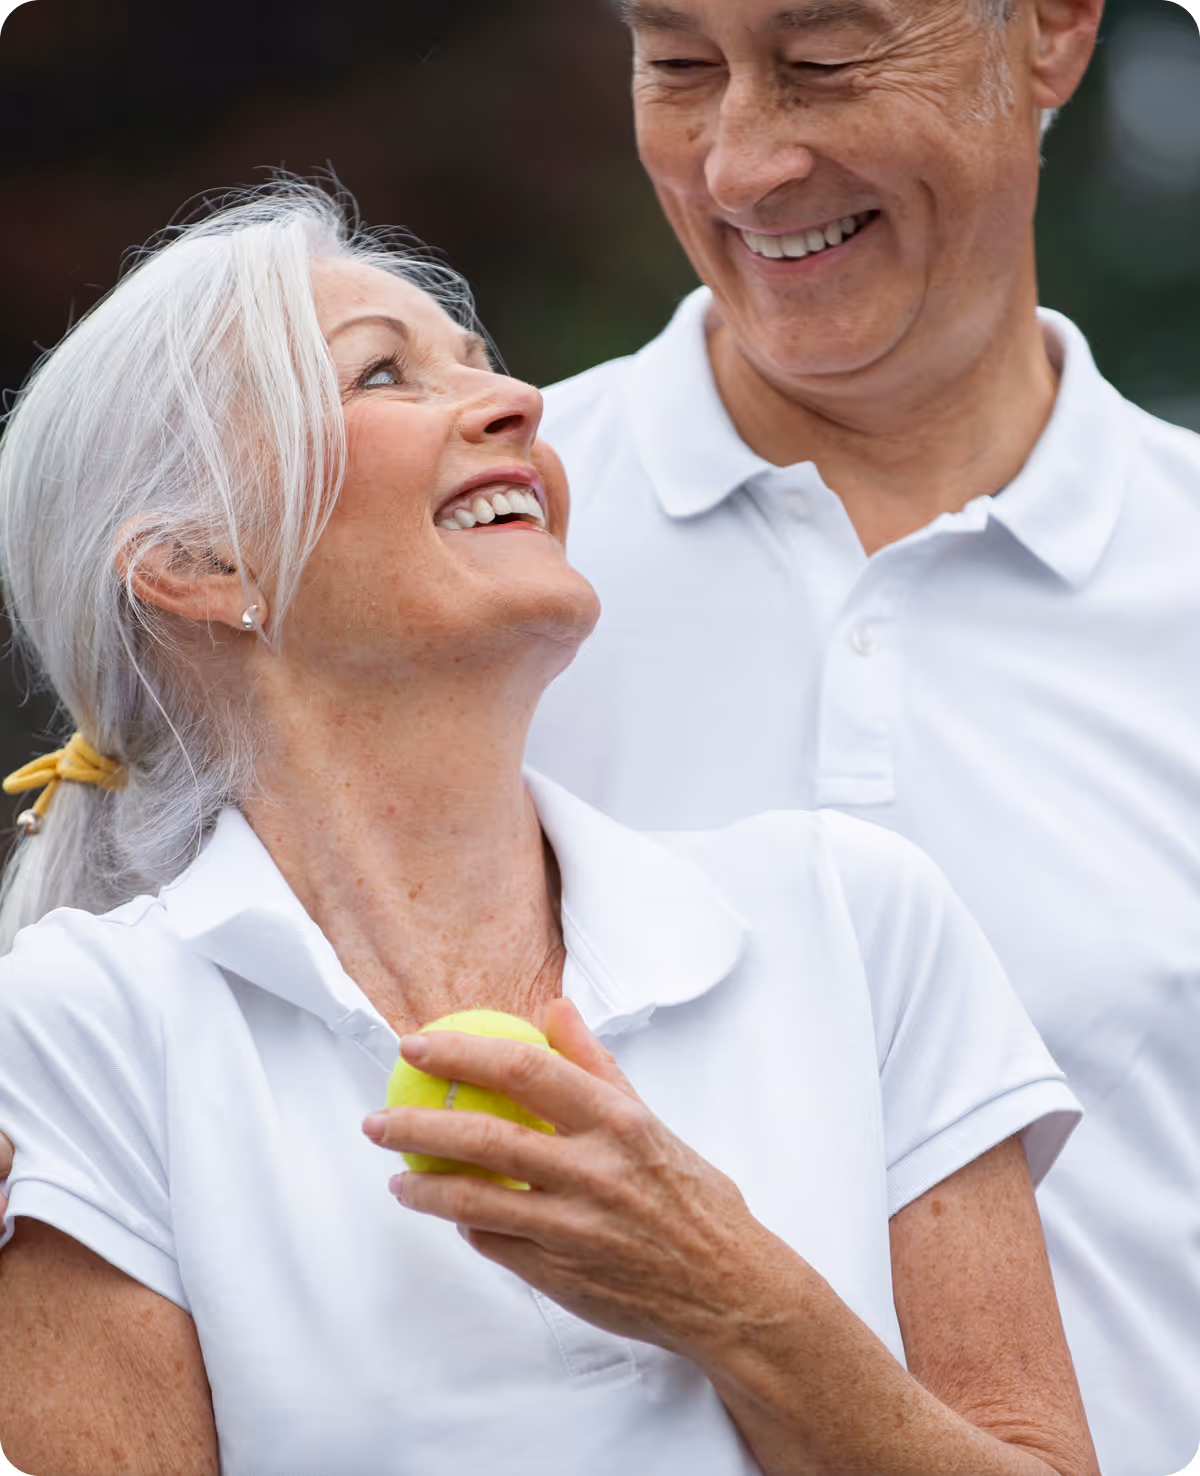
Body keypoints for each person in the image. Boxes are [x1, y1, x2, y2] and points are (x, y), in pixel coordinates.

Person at [0, 185, 1097, 1476]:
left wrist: (733, 1295)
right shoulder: (78, 1035)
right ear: (204, 567)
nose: (519, 403)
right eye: (384, 375)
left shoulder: (859, 919)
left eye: (481, 360)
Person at [521, 2, 1200, 1474]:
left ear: (1055, 35)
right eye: (679, 68)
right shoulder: (456, 560)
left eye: (829, 62)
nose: (743, 164)